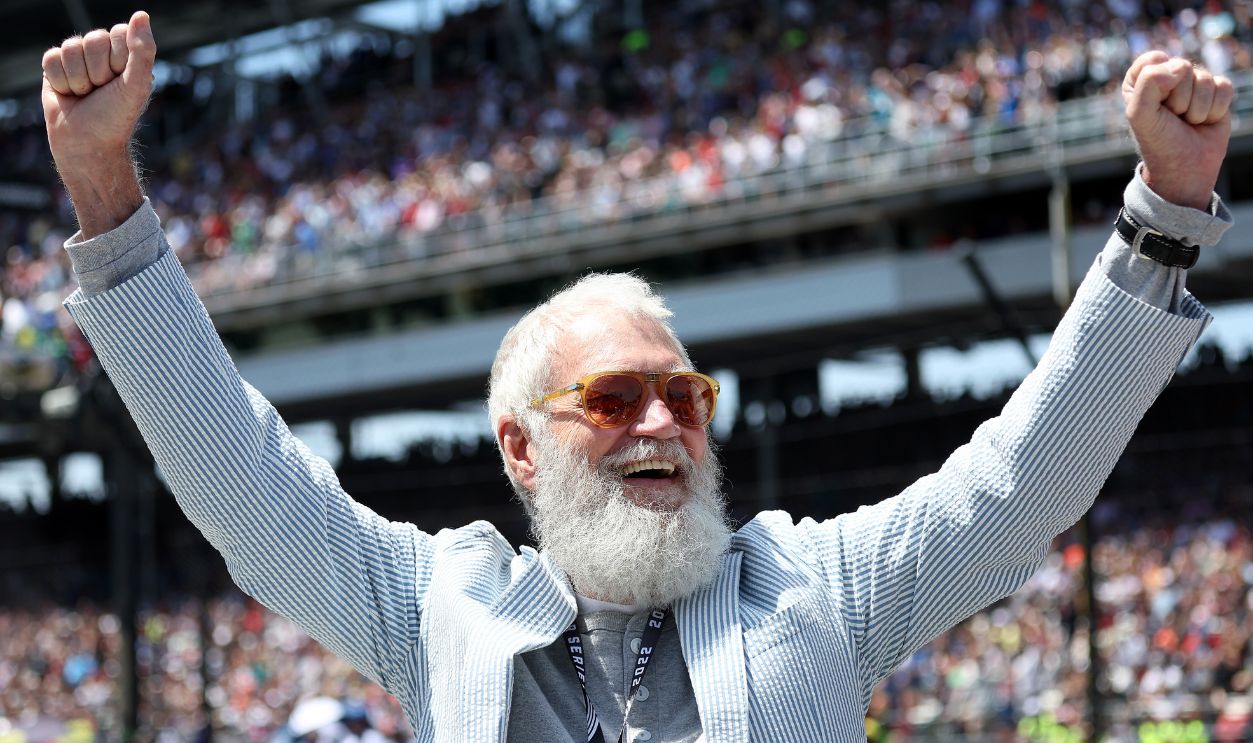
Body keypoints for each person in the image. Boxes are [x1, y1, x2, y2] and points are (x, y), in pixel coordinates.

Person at [42, 11, 1235, 743]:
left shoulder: (815, 586)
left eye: (685, 394)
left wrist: (1164, 212)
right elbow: (239, 481)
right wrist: (106, 190)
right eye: (611, 400)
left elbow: (1019, 483)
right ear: (520, 446)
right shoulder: (433, 604)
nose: (662, 419)